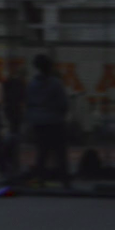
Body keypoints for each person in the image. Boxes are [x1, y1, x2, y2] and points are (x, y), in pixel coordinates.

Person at [25, 53, 70, 188]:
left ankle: (40, 178)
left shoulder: (32, 84)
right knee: (60, 152)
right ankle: (64, 181)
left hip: (38, 122)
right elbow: (63, 104)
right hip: (54, 121)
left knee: (42, 152)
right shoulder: (56, 83)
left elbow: (29, 103)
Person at [2, 63, 26, 176]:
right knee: (14, 135)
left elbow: (5, 98)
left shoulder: (9, 83)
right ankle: (12, 161)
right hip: (14, 112)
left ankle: (10, 161)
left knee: (12, 134)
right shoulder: (19, 84)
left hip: (10, 111)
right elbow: (21, 100)